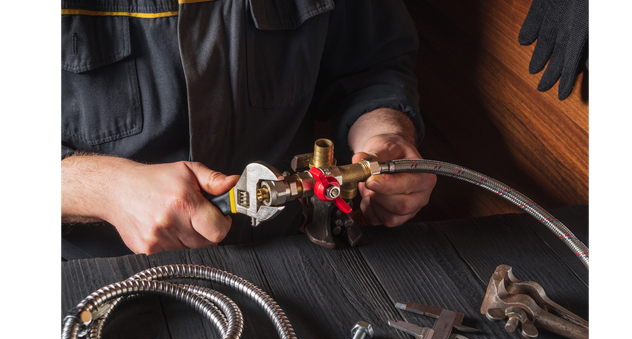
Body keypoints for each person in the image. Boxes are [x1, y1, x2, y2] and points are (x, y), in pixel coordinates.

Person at [60, 0, 437, 259]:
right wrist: (107, 189)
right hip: (101, 271)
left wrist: (385, 134)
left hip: (289, 252)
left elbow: (372, 68)